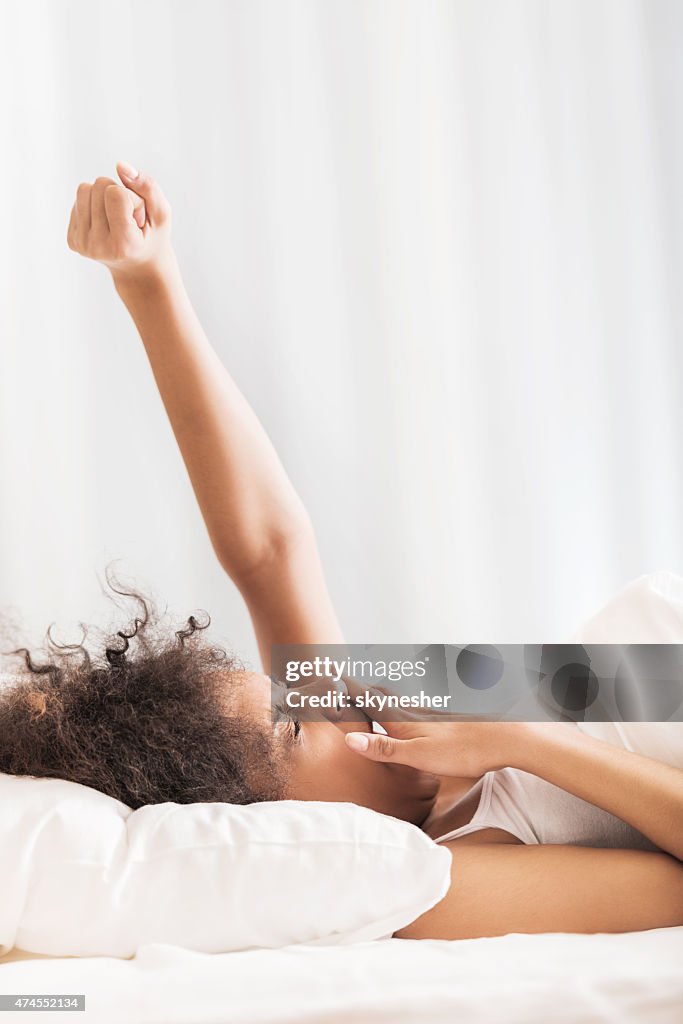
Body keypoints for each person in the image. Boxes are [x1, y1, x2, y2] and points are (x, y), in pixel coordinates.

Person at [1, 166, 682, 939]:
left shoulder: (385, 711)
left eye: (291, 695)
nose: (323, 696)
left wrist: (147, 280)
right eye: (292, 729)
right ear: (278, 829)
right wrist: (525, 741)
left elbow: (265, 550)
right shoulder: (431, 879)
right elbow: (669, 889)